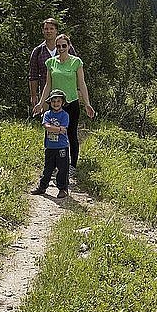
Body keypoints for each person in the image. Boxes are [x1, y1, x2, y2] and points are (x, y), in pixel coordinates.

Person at [33, 33, 95, 176]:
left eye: (64, 46)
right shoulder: (51, 63)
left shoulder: (76, 62)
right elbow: (48, 84)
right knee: (52, 133)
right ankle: (52, 165)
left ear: (68, 46)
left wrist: (87, 103)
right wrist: (41, 103)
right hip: (55, 104)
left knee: (71, 134)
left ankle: (72, 165)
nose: (61, 48)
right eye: (58, 46)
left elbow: (81, 83)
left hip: (71, 103)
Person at [28, 18, 75, 109]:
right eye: (46, 29)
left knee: (66, 121)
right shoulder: (38, 51)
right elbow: (33, 76)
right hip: (46, 96)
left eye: (51, 29)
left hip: (66, 94)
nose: (48, 31)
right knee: (48, 121)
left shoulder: (67, 48)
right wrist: (33, 95)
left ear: (56, 30)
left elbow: (76, 70)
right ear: (43, 31)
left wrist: (78, 90)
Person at [31, 89, 70, 198]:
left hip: (62, 146)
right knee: (47, 169)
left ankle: (63, 189)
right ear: (50, 102)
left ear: (62, 102)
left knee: (62, 169)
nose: (56, 103)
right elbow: (46, 126)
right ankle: (42, 187)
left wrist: (53, 128)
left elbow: (64, 128)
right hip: (50, 147)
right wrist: (58, 129)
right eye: (53, 101)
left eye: (58, 101)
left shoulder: (65, 115)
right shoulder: (47, 114)